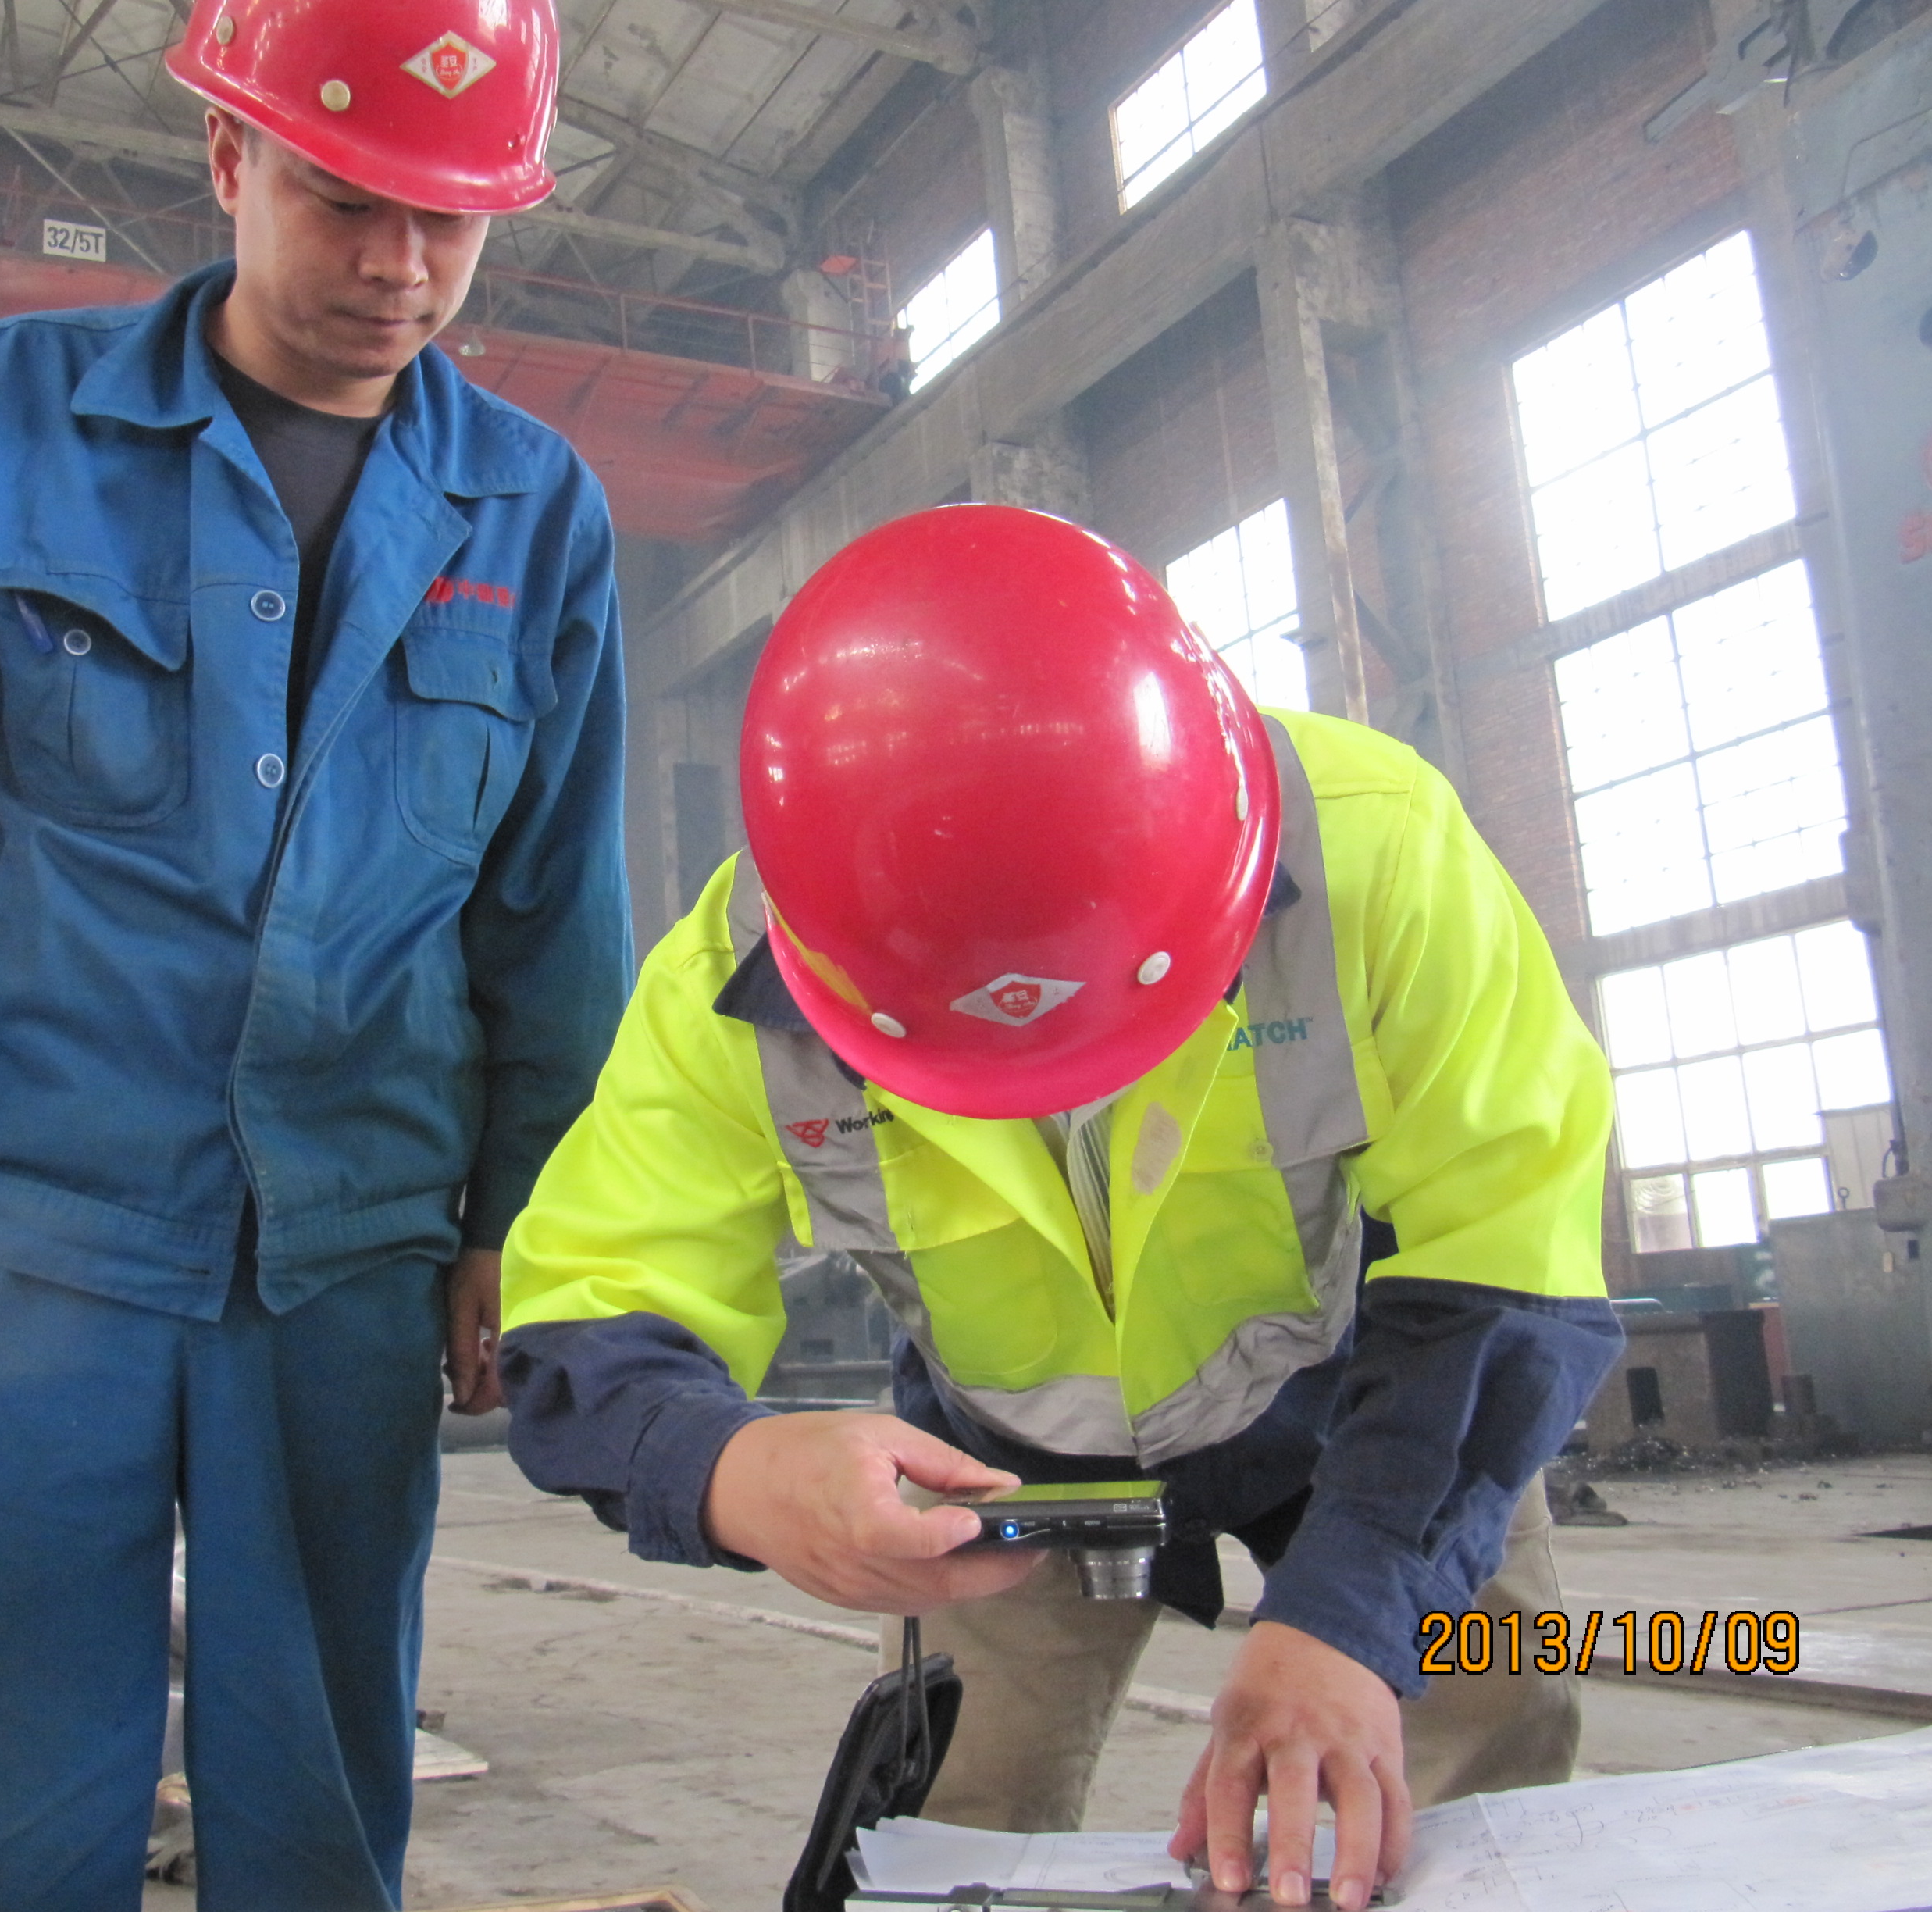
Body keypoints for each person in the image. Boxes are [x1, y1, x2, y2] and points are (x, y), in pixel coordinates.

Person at [0, 2, 629, 1906]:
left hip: (352, 1248)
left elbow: (552, 907)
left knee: (317, 1804)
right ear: (229, 161)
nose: (398, 268)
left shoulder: (536, 511)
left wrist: (523, 1222)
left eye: (451, 222)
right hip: (27, 1225)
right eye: (344, 198)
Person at [496, 505, 1622, 1912]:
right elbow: (581, 1314)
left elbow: (1507, 1260)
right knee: (964, 1828)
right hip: (1005, 1472)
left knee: (1479, 1728)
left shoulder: (1378, 858)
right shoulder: (731, 984)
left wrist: (1355, 1602)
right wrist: (734, 1472)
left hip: (1380, 1428)